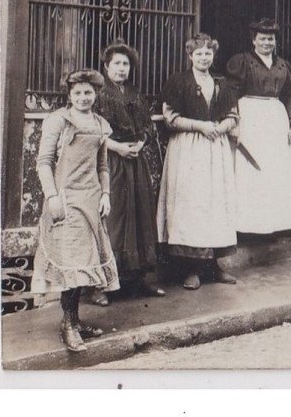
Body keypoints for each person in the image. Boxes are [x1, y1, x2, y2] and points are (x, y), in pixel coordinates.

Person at [30, 69, 120, 352]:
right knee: (71, 262)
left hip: (91, 200)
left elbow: (103, 165)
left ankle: (75, 321)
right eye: (78, 93)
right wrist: (52, 196)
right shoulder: (58, 120)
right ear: (69, 95)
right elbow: (44, 161)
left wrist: (105, 194)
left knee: (84, 262)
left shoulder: (100, 124)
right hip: (66, 199)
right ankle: (68, 324)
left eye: (88, 93)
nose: (83, 98)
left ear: (96, 94)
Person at [156, 33, 239, 290]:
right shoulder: (178, 81)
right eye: (199, 53)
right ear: (190, 56)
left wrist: (222, 127)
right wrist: (200, 126)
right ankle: (190, 268)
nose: (204, 57)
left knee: (214, 203)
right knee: (190, 205)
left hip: (216, 148)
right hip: (188, 149)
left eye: (208, 53)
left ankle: (213, 266)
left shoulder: (221, 83)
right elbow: (170, 117)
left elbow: (233, 115)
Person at [92, 41, 165, 301]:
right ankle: (102, 285)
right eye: (117, 64)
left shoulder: (135, 93)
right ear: (106, 66)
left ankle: (138, 279)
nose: (122, 69)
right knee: (115, 219)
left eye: (126, 64)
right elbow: (96, 132)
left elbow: (146, 125)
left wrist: (141, 143)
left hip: (136, 161)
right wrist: (119, 148)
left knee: (140, 216)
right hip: (111, 161)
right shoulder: (98, 94)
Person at [226, 18, 291, 237]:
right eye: (263, 39)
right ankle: (248, 229)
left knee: (275, 171)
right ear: (254, 40)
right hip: (250, 118)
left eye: (271, 39)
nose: (267, 43)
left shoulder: (283, 65)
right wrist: (233, 121)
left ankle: (275, 227)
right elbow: (230, 91)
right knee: (251, 171)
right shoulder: (242, 61)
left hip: (276, 121)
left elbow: (290, 96)